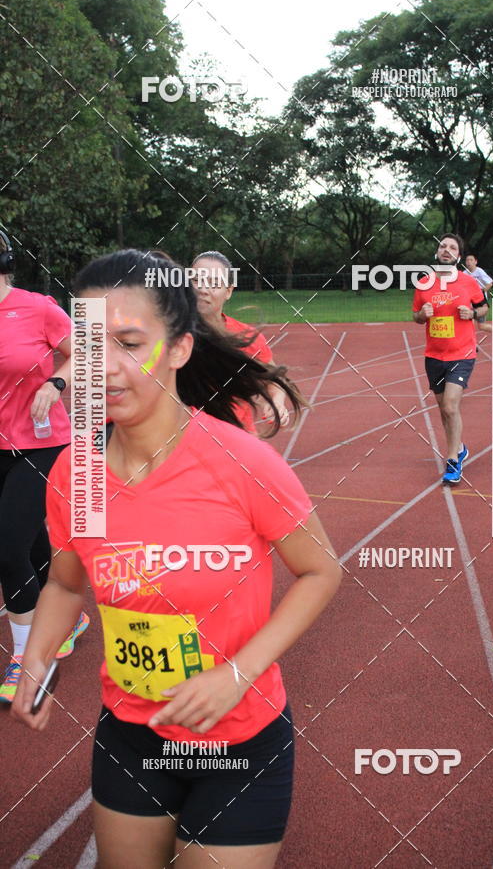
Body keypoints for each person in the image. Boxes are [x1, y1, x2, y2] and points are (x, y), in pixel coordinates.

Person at [13, 250, 341, 869]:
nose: (103, 368)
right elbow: (63, 583)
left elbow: (322, 571)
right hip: (130, 734)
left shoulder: (242, 463)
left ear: (181, 349)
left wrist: (236, 674)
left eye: (130, 344)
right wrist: (36, 656)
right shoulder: (74, 474)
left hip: (239, 741)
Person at [0, 230, 88, 702]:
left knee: (8, 550)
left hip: (39, 445)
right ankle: (68, 615)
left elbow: (86, 350)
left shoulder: (37, 308)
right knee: (32, 544)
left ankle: (27, 659)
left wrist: (55, 381)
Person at [413, 233, 488, 484]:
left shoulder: (468, 282)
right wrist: (422, 314)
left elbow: (483, 308)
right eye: (442, 246)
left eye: (452, 247)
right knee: (444, 411)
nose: (446, 250)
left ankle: (453, 460)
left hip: (462, 353)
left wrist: (473, 313)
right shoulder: (424, 283)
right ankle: (459, 448)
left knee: (449, 406)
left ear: (458, 256)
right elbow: (415, 316)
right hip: (434, 355)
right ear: (437, 253)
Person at [191, 251, 291, 433]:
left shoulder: (246, 337)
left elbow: (274, 378)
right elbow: (145, 370)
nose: (203, 289)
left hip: (237, 441)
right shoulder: (166, 334)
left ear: (228, 291)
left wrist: (277, 401)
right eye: (196, 280)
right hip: (183, 445)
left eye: (214, 283)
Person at [463, 252, 493, 333]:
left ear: (475, 262)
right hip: (468, 299)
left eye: (471, 260)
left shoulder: (479, 271)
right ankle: (470, 341)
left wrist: (481, 292)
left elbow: (490, 283)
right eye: (467, 260)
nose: (469, 262)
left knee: (482, 326)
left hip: (480, 300)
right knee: (468, 322)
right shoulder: (464, 273)